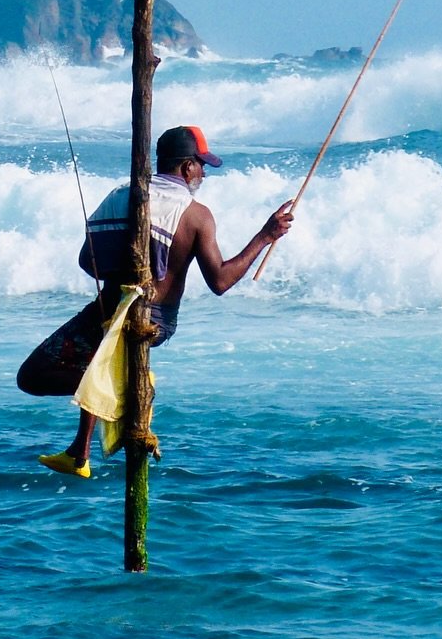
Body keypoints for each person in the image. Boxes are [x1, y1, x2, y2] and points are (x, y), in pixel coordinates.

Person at [33, 124, 293, 477]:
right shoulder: (196, 214)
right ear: (187, 167)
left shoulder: (119, 194)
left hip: (116, 312)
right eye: (201, 165)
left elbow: (86, 262)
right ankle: (111, 411)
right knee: (84, 365)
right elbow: (220, 281)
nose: (203, 173)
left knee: (35, 375)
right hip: (155, 319)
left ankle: (82, 449)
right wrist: (265, 236)